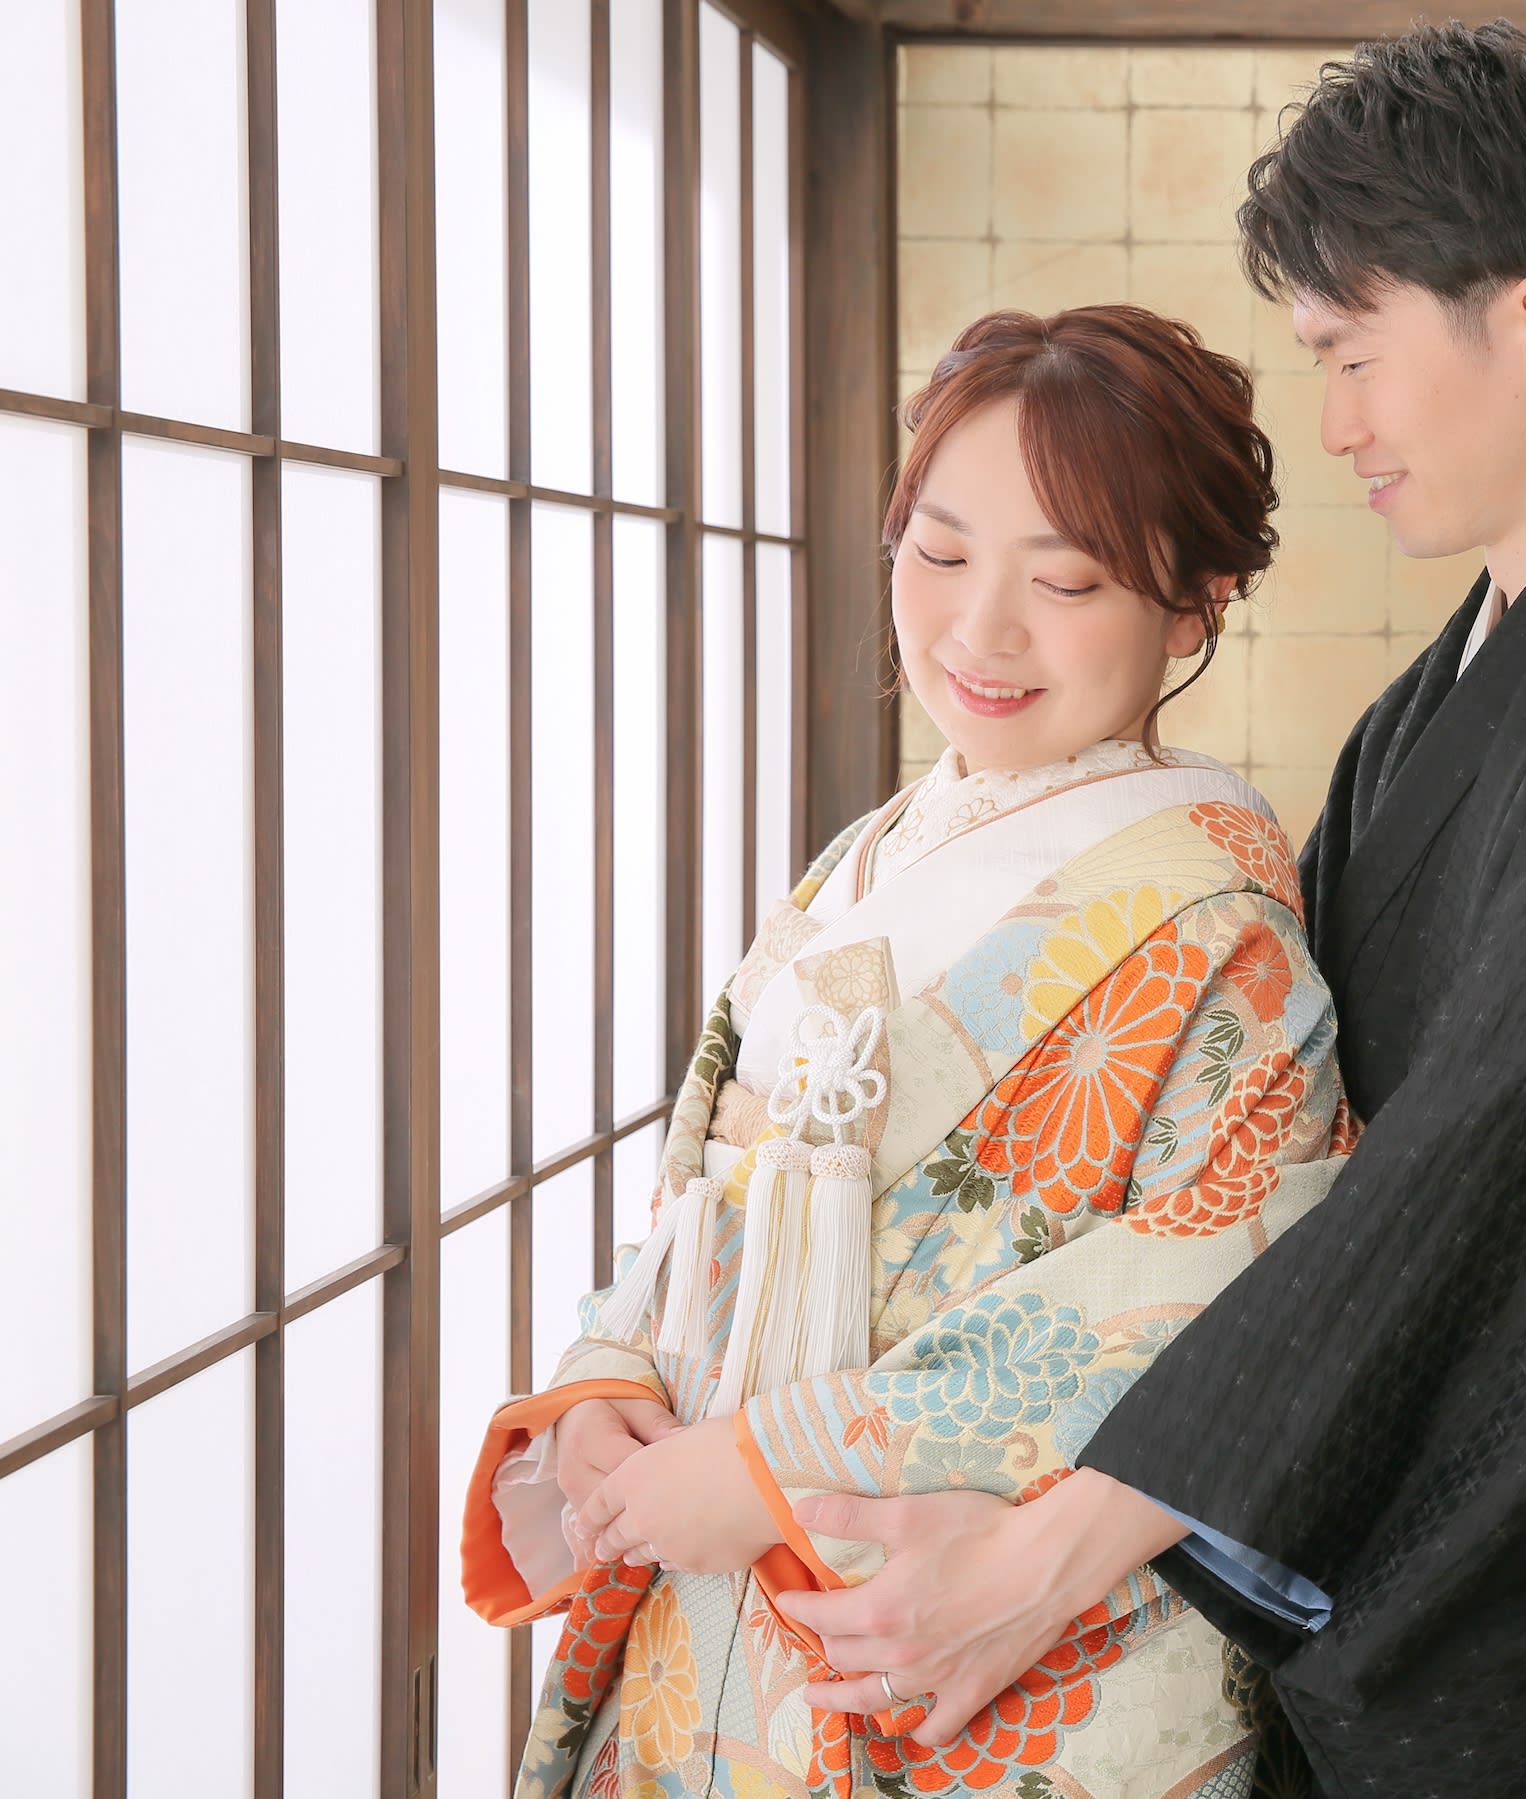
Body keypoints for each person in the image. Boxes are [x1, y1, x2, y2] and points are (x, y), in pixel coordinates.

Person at [779, 21, 1526, 1799]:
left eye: (1353, 354)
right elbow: (1289, 1130)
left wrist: (1049, 1559)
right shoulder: (1444, 700)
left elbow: (1450, 1188)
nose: (1334, 425)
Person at [458, 304, 1357, 1799]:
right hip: (702, 1598)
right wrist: (608, 1386)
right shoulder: (862, 859)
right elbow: (704, 1192)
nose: (979, 633)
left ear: (1196, 606)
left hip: (951, 1641)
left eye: (1064, 580)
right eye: (937, 556)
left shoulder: (1221, 930)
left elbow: (1232, 1298)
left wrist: (773, 1468)